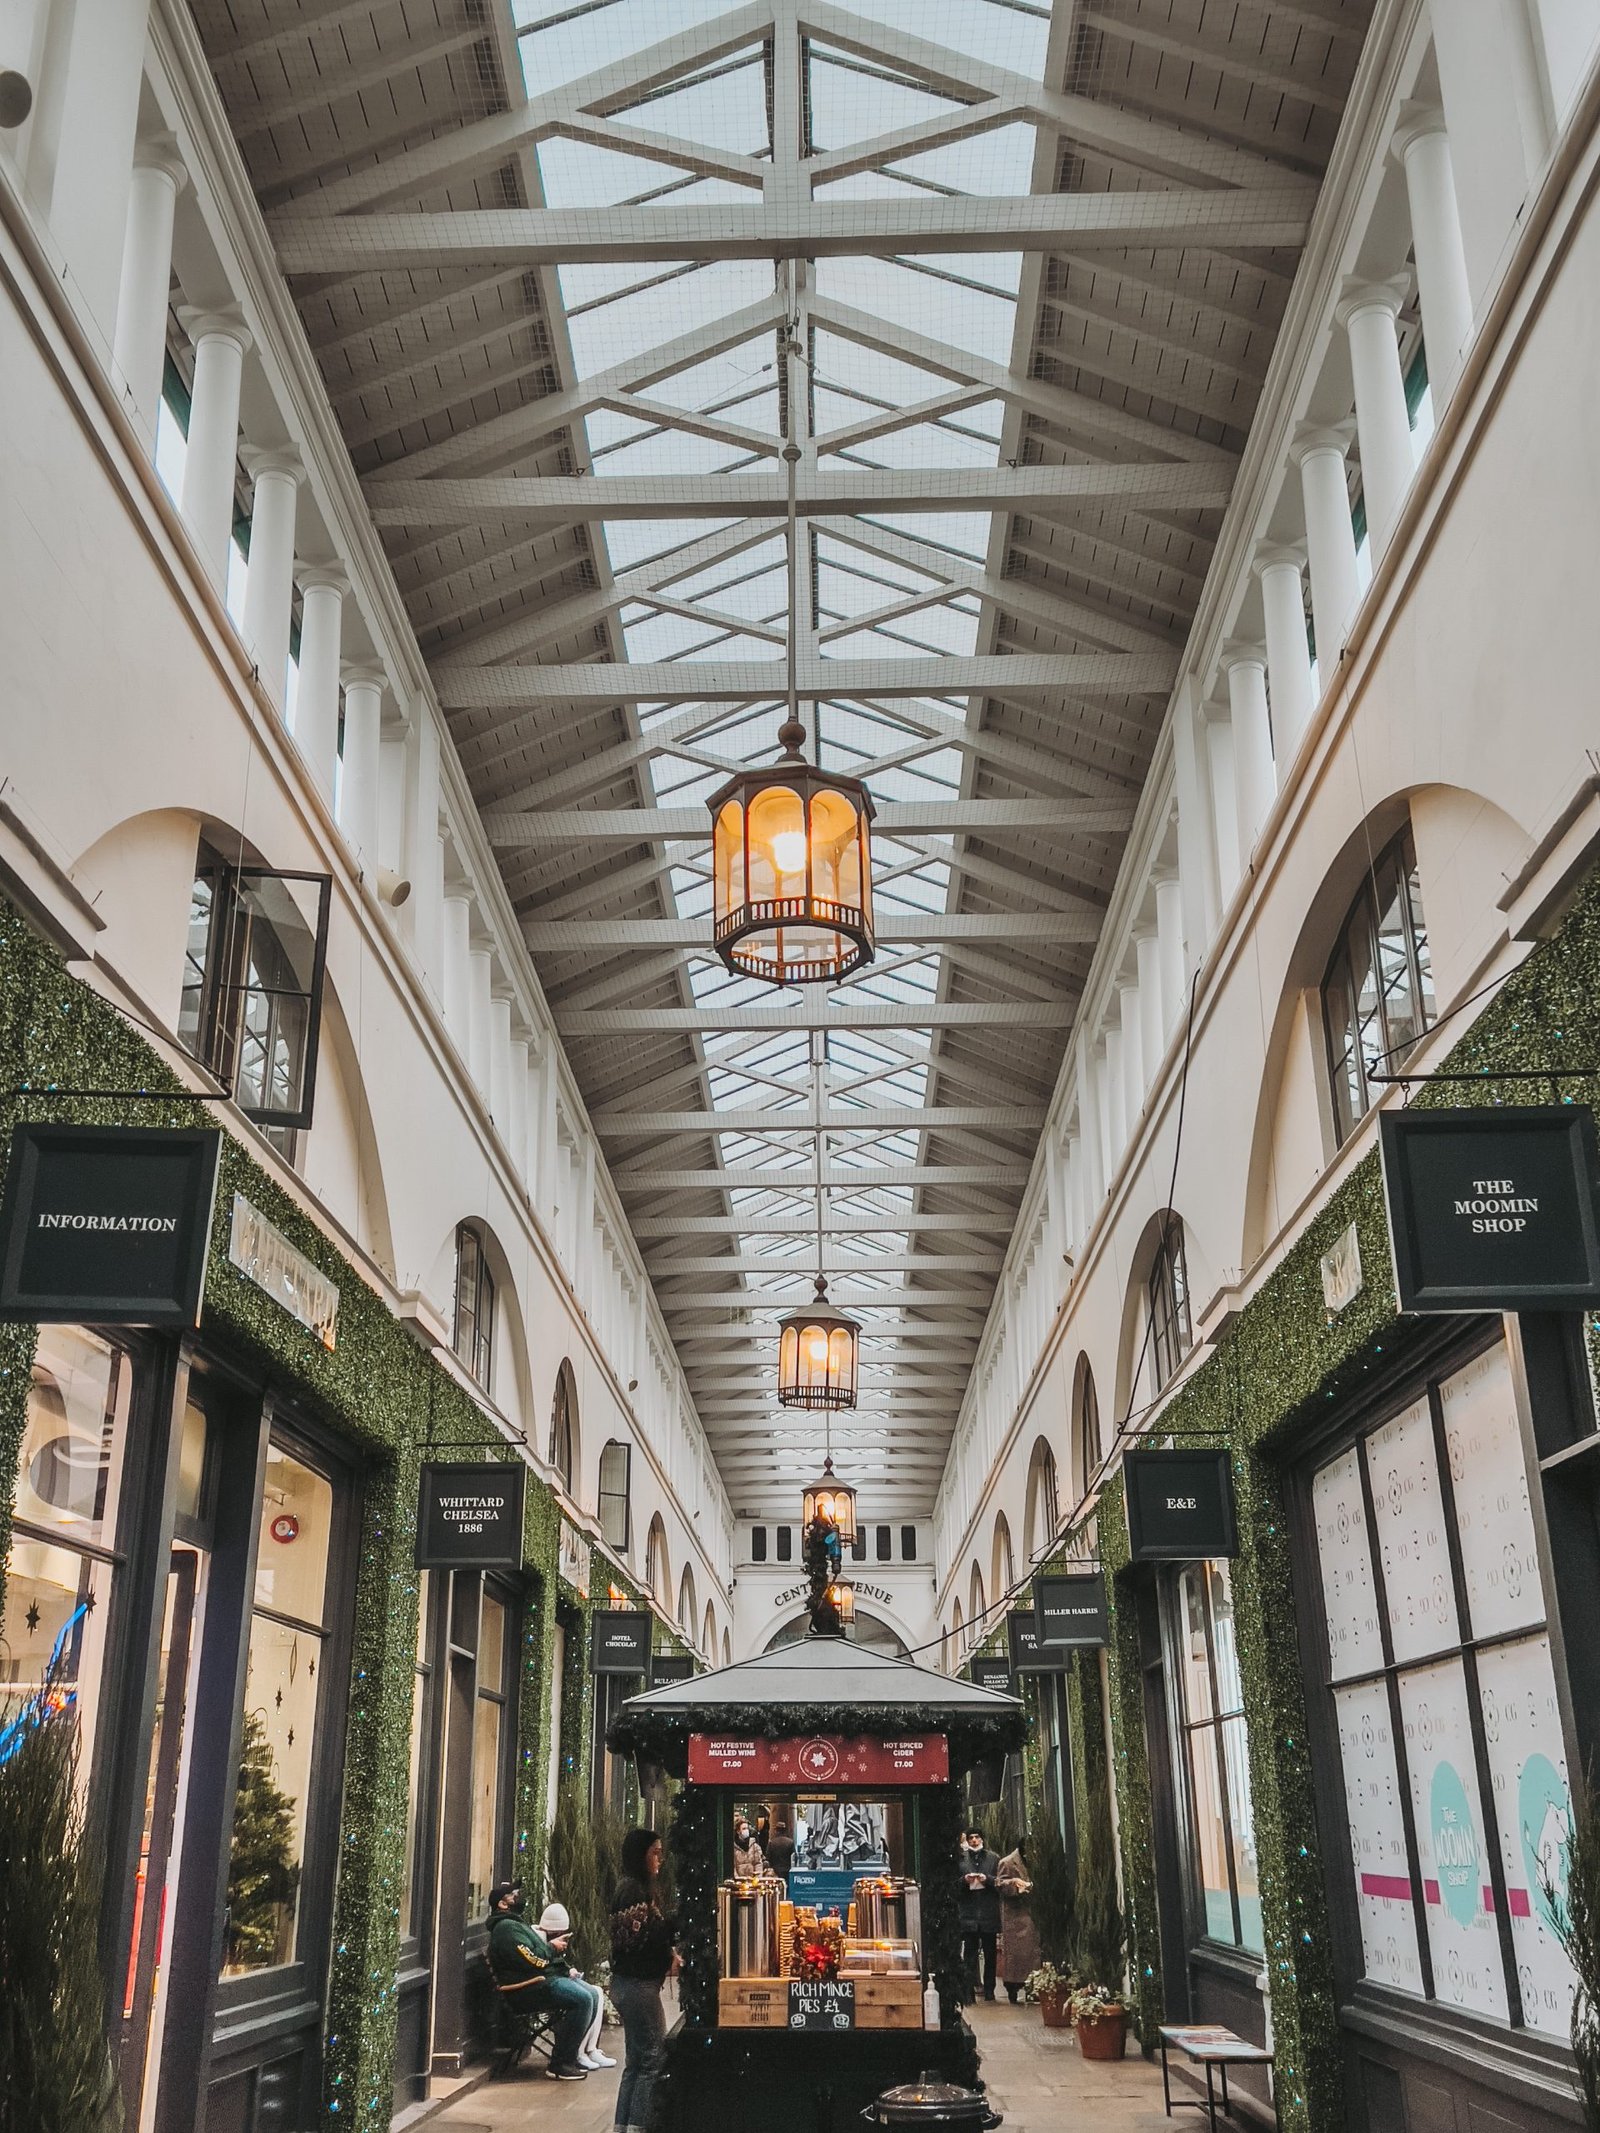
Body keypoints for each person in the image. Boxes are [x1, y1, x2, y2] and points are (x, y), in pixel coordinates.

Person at [484, 1881, 592, 2080]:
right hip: (528, 1989)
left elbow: (539, 1955)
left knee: (591, 1993)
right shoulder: (507, 1928)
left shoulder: (516, 1923)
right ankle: (560, 2063)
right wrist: (552, 1947)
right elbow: (535, 1958)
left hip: (540, 1980)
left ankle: (571, 2055)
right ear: (502, 1904)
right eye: (514, 1894)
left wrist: (564, 1968)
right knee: (583, 1999)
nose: (519, 1897)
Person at [609, 1827, 678, 2133]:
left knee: (635, 2062)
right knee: (651, 2059)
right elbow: (636, 1939)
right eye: (655, 1852)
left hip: (631, 1984)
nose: (659, 1859)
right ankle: (638, 2125)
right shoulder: (634, 1891)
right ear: (641, 1855)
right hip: (637, 1986)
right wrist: (675, 1924)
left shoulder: (635, 1888)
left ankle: (622, 2125)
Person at [536, 1900, 617, 2070]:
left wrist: (567, 1970)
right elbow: (542, 1964)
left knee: (596, 1992)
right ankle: (577, 2053)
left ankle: (590, 2048)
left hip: (551, 1980)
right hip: (543, 1984)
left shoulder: (544, 1940)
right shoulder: (540, 1942)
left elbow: (551, 1963)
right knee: (586, 1997)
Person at [957, 1829, 1001, 2003]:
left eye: (977, 1837)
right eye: (971, 1838)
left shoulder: (993, 1859)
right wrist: (964, 1880)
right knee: (970, 1955)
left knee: (990, 1955)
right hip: (969, 1915)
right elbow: (955, 1885)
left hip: (988, 1913)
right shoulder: (962, 1860)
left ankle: (989, 1990)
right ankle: (969, 1991)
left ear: (982, 1839)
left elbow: (999, 1882)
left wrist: (987, 1879)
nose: (974, 1841)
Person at [996, 1839, 1039, 2004]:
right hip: (1015, 1916)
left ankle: (1032, 1987)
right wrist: (1015, 1885)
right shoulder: (1006, 1862)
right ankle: (1013, 1987)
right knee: (1016, 1955)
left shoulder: (1035, 1861)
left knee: (1033, 1953)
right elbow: (999, 1883)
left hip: (1032, 1913)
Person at [732, 1812, 765, 1876]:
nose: (746, 1831)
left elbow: (758, 1863)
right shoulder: (734, 1847)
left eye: (747, 1828)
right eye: (744, 1829)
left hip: (753, 1881)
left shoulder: (754, 1846)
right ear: (738, 1831)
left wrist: (757, 1878)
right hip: (739, 1881)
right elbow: (733, 1867)